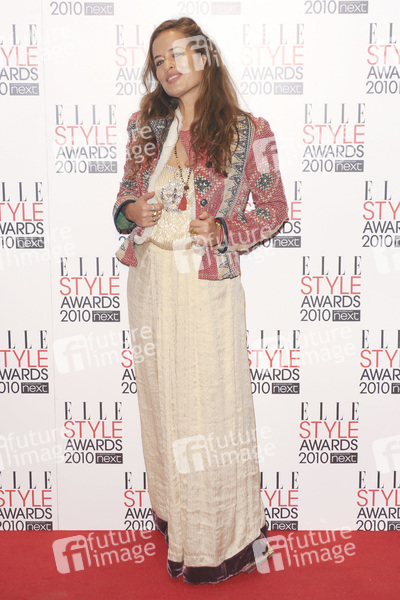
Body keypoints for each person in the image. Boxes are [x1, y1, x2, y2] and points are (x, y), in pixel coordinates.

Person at [113, 17, 288, 585]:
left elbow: (274, 210)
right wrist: (130, 212)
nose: (167, 66)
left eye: (177, 54)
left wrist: (225, 230)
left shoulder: (250, 131)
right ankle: (179, 528)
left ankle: (221, 539)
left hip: (207, 284)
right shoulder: (145, 126)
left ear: (204, 56)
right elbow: (123, 200)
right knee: (164, 403)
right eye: (158, 59)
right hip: (152, 282)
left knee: (210, 408)